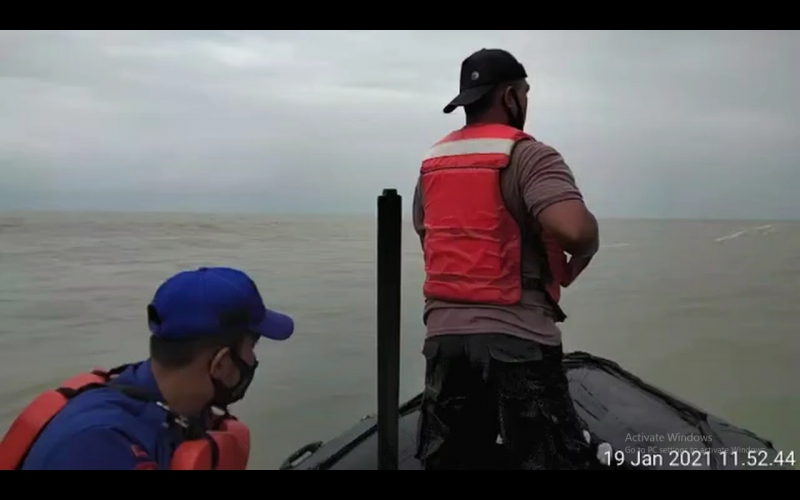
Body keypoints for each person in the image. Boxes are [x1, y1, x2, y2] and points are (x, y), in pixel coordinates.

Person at [412, 48, 601, 470]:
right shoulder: (530, 156)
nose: (526, 102)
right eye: (525, 92)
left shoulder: (433, 163)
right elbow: (574, 229)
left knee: (454, 461)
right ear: (509, 96)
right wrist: (590, 243)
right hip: (519, 341)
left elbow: (426, 233)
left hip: (444, 341)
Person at [0, 266, 294, 470]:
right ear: (221, 363)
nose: (253, 360)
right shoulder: (100, 447)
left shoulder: (172, 402)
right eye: (252, 346)